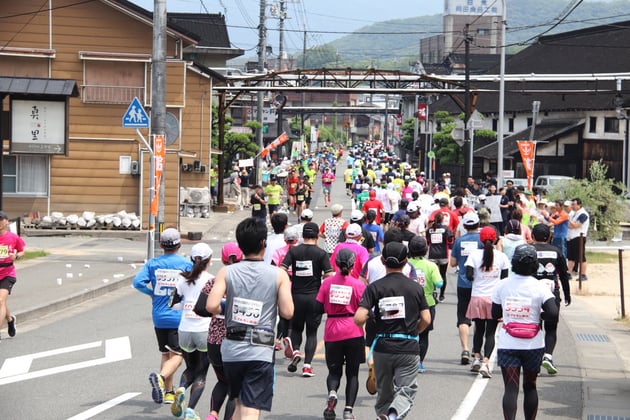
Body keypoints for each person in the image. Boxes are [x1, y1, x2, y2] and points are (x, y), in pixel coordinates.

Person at [205, 218, 294, 420]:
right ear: (263, 243)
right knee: (251, 409)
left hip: (231, 350)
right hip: (260, 349)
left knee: (239, 403)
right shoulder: (279, 275)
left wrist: (226, 307)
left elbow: (211, 305)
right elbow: (288, 312)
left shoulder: (226, 271)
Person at [354, 242, 431, 420]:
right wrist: (415, 332)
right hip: (408, 346)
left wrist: (372, 316)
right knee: (406, 391)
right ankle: (392, 416)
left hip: (382, 347)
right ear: (406, 262)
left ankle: (386, 414)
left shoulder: (374, 288)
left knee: (384, 394)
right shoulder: (415, 288)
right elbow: (426, 318)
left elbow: (358, 318)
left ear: (382, 261)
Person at [492, 244, 558, 420]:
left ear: (513, 263)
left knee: (511, 389)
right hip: (533, 344)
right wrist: (539, 315)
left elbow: (495, 314)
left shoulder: (502, 285)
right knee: (530, 386)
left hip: (508, 343)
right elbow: (553, 313)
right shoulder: (540, 287)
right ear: (535, 265)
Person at [133, 228, 192, 404]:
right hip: (177, 315)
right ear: (180, 244)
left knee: (166, 354)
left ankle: (168, 392)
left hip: (159, 315)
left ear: (161, 245)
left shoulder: (153, 264)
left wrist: (151, 293)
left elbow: (137, 282)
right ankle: (160, 377)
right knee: (178, 356)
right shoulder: (186, 264)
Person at [316, 249, 366, 420]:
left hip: (332, 330)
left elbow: (318, 307)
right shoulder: (358, 285)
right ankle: (348, 410)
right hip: (353, 330)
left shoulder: (327, 283)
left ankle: (332, 393)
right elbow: (365, 308)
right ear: (353, 265)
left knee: (334, 371)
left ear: (335, 263)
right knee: (353, 373)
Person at [281, 222, 334, 377]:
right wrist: (320, 277)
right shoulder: (321, 253)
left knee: (297, 328)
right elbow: (329, 274)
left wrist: (291, 277)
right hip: (314, 297)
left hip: (296, 295)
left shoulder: (294, 251)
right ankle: (307, 366)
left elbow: (282, 268)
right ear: (317, 235)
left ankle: (296, 351)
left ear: (302, 236)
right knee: (311, 332)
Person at [197, 243, 242, 420]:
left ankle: (213, 414)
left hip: (214, 341)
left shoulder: (214, 281)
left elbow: (200, 308)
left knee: (223, 380)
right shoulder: (245, 282)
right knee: (235, 386)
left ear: (223, 258)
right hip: (236, 340)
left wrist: (218, 311)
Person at [170, 243, 214, 420]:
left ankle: (181, 387)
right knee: (201, 373)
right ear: (209, 260)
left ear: (191, 259)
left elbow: (173, 305)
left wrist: (186, 306)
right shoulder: (212, 279)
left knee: (190, 368)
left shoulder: (182, 279)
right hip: (204, 329)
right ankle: (190, 409)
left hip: (185, 329)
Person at [464, 226, 510, 378]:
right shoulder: (502, 257)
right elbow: (504, 279)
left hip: (477, 297)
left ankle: (476, 358)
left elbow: (469, 275)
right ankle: (485, 362)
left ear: (480, 240)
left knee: (479, 329)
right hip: (494, 299)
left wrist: (480, 277)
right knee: (491, 333)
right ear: (496, 239)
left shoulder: (474, 255)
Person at [531, 223, 571, 375]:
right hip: (552, 294)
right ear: (550, 236)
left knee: (535, 326)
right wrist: (567, 294)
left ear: (532, 236)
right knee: (551, 327)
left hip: (532, 294)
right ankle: (548, 356)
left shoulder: (529, 250)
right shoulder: (556, 251)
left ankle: (535, 357)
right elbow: (563, 275)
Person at [449, 212, 483, 365]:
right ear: (478, 224)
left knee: (463, 317)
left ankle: (465, 349)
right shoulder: (482, 241)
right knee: (479, 318)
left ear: (464, 226)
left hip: (463, 283)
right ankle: (477, 349)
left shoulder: (459, 241)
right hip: (480, 284)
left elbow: (453, 263)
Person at [407, 235, 443, 373]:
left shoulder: (406, 264)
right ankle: (419, 362)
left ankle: (407, 360)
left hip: (409, 302)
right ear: (425, 250)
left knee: (408, 332)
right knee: (424, 334)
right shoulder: (431, 265)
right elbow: (439, 283)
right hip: (427, 303)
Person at [0, 211, 25, 340]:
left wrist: (15, 256)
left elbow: (22, 251)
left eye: (1, 220)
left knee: (0, 300)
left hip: (7, 273)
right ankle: (10, 320)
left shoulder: (12, 237)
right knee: (1, 302)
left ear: (6, 221)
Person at [426, 211, 454, 302]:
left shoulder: (430, 230)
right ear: (442, 220)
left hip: (432, 255)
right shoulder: (446, 229)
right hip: (443, 255)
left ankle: (433, 292)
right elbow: (450, 240)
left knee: (432, 275)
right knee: (442, 275)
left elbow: (427, 241)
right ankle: (442, 295)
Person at [567, 197, 589, 281]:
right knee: (571, 257)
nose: (572, 206)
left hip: (579, 237)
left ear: (579, 205)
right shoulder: (573, 213)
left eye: (574, 204)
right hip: (571, 237)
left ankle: (583, 274)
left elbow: (577, 225)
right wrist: (572, 224)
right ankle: (568, 272)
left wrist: (570, 221)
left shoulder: (583, 214)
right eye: (571, 204)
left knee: (581, 257)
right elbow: (569, 226)